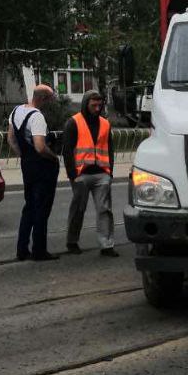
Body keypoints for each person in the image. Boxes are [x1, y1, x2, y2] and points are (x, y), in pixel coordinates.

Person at [8, 84, 61, 262]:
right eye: (50, 99)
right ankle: (39, 250)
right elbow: (40, 146)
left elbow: (11, 139)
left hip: (27, 166)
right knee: (41, 209)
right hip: (42, 168)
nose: (51, 103)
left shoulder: (16, 111)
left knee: (29, 206)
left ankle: (22, 249)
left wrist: (23, 155)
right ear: (43, 99)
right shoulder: (37, 117)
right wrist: (53, 157)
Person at [62, 89, 117, 257]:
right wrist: (73, 176)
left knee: (104, 210)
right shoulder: (73, 123)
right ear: (86, 104)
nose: (97, 108)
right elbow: (67, 151)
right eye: (94, 105)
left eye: (100, 105)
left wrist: (110, 173)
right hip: (81, 175)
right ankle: (72, 242)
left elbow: (110, 149)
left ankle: (106, 245)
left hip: (102, 174)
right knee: (78, 209)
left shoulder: (105, 124)